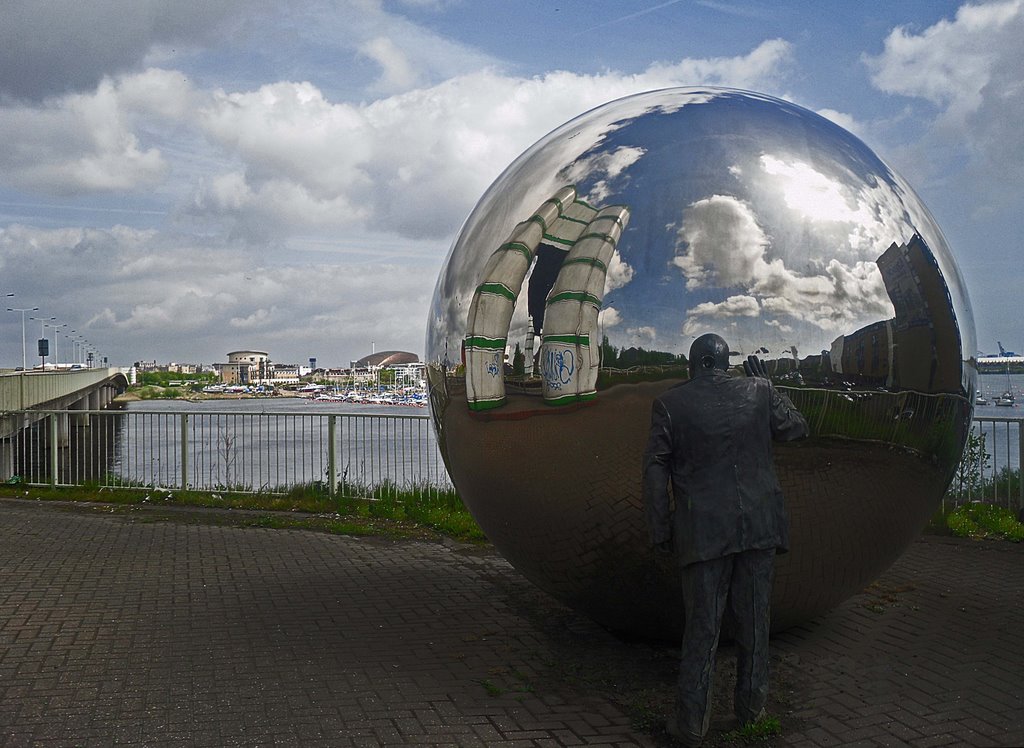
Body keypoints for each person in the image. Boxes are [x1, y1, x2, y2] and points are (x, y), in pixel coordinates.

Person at [642, 333, 808, 746]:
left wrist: (661, 529)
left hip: (704, 532)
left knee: (703, 628)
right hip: (758, 526)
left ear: (693, 364)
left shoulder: (670, 405)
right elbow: (796, 429)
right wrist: (774, 389)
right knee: (755, 622)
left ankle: (692, 723)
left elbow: (655, 471)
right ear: (726, 361)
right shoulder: (759, 391)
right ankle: (752, 710)